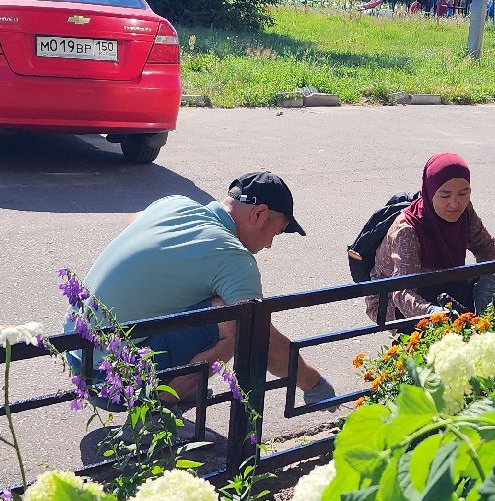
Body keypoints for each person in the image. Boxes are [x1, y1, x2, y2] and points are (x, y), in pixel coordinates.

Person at [69, 171, 335, 407]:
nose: (268, 246)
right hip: (113, 381)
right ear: (258, 213)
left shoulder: (174, 204)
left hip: (74, 354)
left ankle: (175, 388)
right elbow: (262, 342)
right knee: (235, 321)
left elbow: (134, 220)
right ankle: (156, 412)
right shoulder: (233, 258)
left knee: (208, 297)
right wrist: (314, 384)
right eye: (275, 234)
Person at [363, 153, 495, 323]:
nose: (455, 203)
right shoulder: (408, 230)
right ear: (429, 193)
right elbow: (402, 292)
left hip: (442, 281)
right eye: (445, 195)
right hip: (393, 300)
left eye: (463, 193)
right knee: (443, 310)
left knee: (494, 280)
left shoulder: (465, 212)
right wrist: (433, 313)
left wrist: (486, 283)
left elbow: (486, 247)